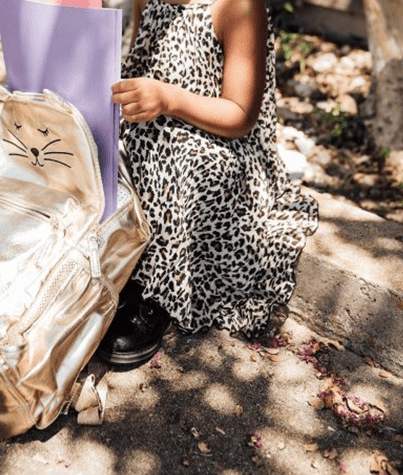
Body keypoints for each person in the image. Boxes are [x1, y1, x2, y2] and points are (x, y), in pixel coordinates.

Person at [97, 0, 319, 366]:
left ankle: (156, 291)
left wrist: (168, 98)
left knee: (186, 166)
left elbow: (240, 115)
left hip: (217, 141)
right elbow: (140, 62)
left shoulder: (237, 7)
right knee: (106, 144)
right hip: (156, 122)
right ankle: (114, 259)